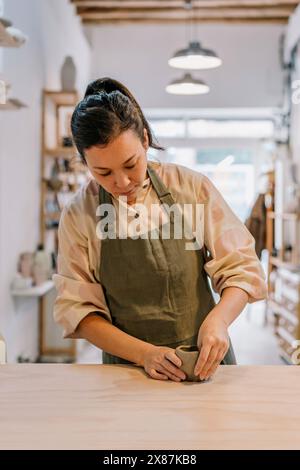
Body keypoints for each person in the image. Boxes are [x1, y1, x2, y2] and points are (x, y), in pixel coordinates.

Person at [53, 77, 267, 382]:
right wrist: (143, 354)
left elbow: (242, 269)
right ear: (85, 162)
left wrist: (219, 320)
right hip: (128, 372)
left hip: (204, 363)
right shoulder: (80, 214)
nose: (122, 182)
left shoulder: (191, 188)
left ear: (144, 140)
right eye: (103, 172)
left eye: (130, 164)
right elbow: (79, 311)